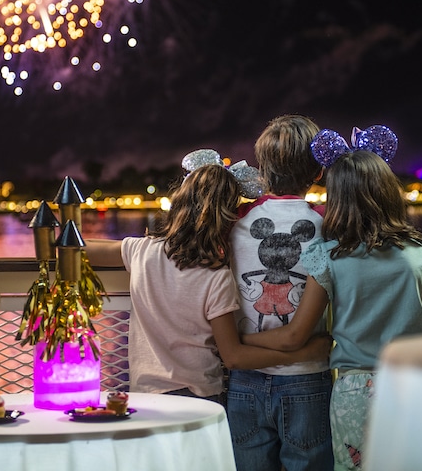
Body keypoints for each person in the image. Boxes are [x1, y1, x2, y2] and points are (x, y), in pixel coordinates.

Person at [243, 127, 422, 470]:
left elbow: (296, 334)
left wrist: (239, 341)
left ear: (338, 199)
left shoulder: (329, 259)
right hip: (420, 383)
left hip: (356, 390)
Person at [86, 149, 331, 403]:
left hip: (147, 395)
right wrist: (302, 354)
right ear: (228, 219)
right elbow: (233, 356)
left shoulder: (142, 251)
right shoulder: (216, 276)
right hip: (200, 397)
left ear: (179, 201)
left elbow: (77, 248)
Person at [227, 114, 334, 471]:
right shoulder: (328, 223)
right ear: (318, 171)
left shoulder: (234, 220)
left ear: (263, 168)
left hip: (243, 376)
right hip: (307, 373)